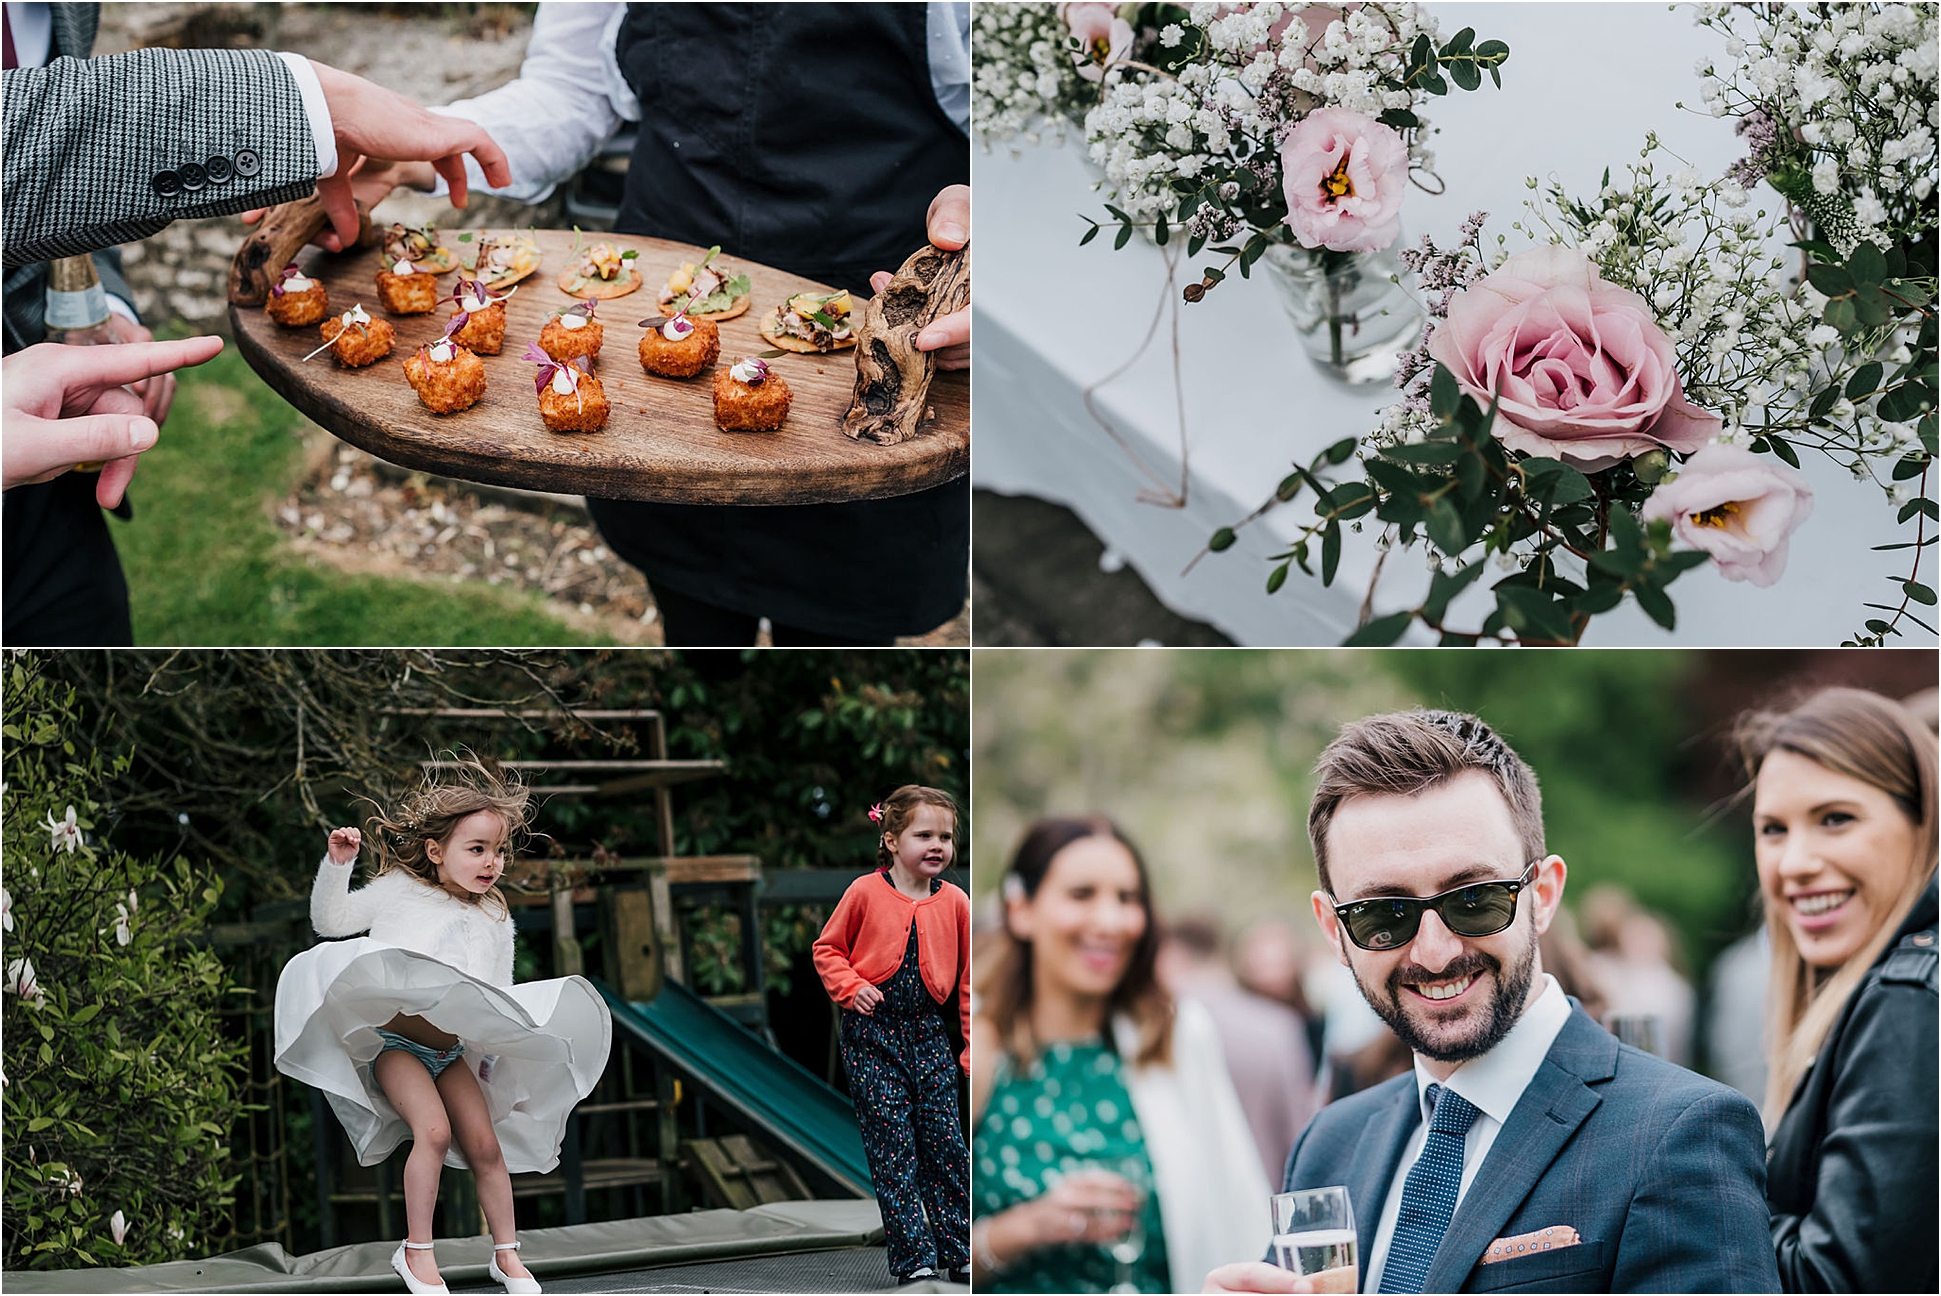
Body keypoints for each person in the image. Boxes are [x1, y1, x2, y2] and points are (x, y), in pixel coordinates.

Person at [303, 2, 970, 645]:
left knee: (837, 640)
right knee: (690, 612)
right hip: (658, 278)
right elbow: (572, 89)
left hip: (875, 316)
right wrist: (423, 143)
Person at [1205, 709, 1780, 1295]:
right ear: (1334, 931)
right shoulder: (1329, 1143)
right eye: (1383, 914)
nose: (1433, 952)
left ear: (1545, 895)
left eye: (1475, 900)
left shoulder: (1681, 1132)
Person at [3, 10, 509, 646]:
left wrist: (104, 310)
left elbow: (61, 184)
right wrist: (308, 104)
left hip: (45, 469)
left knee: (92, 715)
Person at [273, 761, 610, 1296]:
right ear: (436, 851)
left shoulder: (496, 918)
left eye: (498, 851)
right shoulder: (400, 889)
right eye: (476, 849)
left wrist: (494, 1064)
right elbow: (330, 924)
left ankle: (507, 1256)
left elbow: (493, 1002)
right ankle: (416, 1252)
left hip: (451, 1054)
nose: (491, 862)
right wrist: (338, 866)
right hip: (396, 1047)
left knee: (485, 1145)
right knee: (433, 1133)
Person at [972, 817, 1267, 1293]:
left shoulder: (1177, 1034)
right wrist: (1028, 1228)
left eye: (1127, 899)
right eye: (1082, 894)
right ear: (1021, 909)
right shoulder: (979, 1044)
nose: (1110, 922)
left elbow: (1237, 1208)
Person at [1736, 687, 1937, 1293]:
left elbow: (1837, 1279)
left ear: (1923, 824)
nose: (1794, 862)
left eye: (1835, 819)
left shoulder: (1909, 999)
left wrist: (1696, 1185)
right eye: (1773, 829)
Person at [812, 785, 971, 1285]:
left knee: (946, 1143)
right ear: (890, 838)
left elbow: (971, 982)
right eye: (923, 834)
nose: (937, 845)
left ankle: (961, 1247)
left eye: (945, 836)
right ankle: (913, 1257)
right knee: (893, 1145)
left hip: (928, 1034)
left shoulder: (957, 902)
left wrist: (972, 1048)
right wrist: (851, 987)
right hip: (871, 1034)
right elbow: (827, 950)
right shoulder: (864, 892)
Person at [1156, 915, 1323, 1186]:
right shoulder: (1277, 1026)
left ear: (1173, 952)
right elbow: (1299, 1131)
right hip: (1264, 1190)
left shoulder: (1152, 1027)